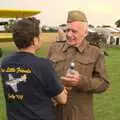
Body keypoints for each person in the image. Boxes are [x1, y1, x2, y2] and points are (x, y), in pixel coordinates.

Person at [0, 17, 68, 120]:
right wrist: (64, 88)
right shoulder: (43, 65)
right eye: (40, 35)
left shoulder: (5, 63)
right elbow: (62, 99)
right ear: (35, 40)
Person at [48, 10, 110, 120]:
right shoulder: (54, 49)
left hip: (81, 115)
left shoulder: (95, 52)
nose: (69, 34)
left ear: (85, 33)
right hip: (54, 114)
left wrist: (80, 81)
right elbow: (45, 77)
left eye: (74, 31)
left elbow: (104, 83)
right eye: (67, 30)